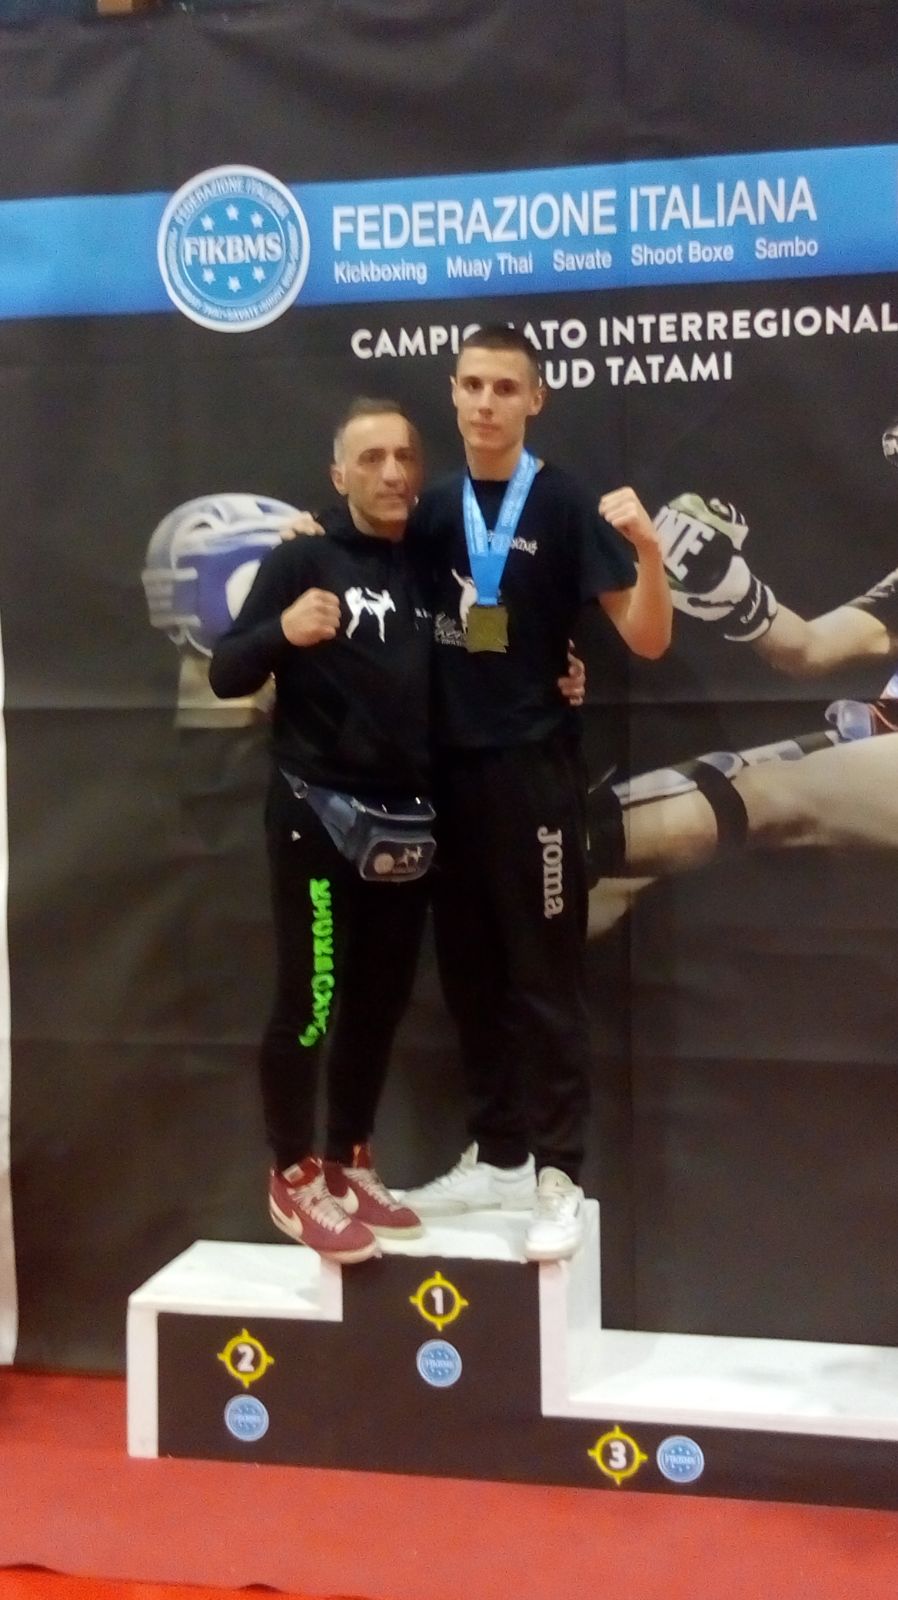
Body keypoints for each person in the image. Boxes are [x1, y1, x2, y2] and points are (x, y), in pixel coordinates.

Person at [399, 325, 673, 1261]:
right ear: (452, 391)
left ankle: (559, 1169)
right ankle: (500, 1154)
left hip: (533, 777)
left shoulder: (561, 503)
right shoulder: (432, 510)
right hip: (446, 777)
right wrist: (306, 541)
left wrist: (649, 553)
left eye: (505, 388)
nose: (486, 403)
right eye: (472, 385)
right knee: (469, 976)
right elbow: (373, 595)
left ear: (535, 400)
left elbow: (647, 641)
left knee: (545, 981)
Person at [208, 400, 435, 1263]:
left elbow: (476, 652)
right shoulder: (303, 557)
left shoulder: (435, 562)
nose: (392, 472)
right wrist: (283, 629)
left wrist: (555, 674)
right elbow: (227, 671)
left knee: (379, 1002)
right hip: (317, 815)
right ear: (340, 475)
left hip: (407, 820)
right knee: (312, 999)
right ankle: (292, 1173)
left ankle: (349, 1159)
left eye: (404, 456)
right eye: (371, 458)